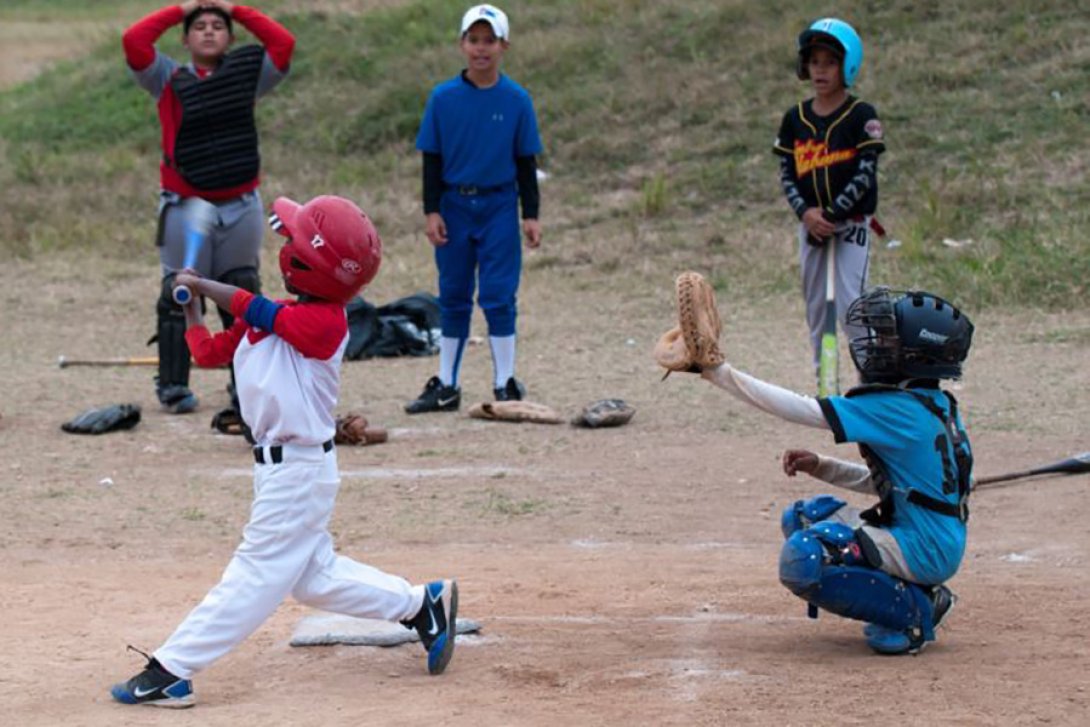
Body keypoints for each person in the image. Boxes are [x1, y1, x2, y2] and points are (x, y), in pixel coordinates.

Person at [110, 196, 459, 708]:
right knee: (314, 578)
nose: (287, 243)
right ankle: (420, 605)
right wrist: (190, 306)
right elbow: (208, 352)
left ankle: (172, 669)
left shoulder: (325, 324)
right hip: (279, 470)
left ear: (307, 267)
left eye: (294, 242)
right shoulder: (275, 317)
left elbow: (256, 307)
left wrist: (206, 284)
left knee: (255, 574)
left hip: (299, 471)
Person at [696, 287, 974, 655]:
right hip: (926, 537)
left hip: (923, 549)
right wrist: (823, 467)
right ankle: (919, 590)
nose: (876, 345)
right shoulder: (935, 403)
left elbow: (803, 409)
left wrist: (718, 373)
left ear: (916, 356)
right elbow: (893, 485)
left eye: (889, 339)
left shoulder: (897, 408)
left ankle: (915, 610)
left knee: (806, 556)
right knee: (807, 517)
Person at [122, 1, 294, 430]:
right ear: (185, 39)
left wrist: (233, 6)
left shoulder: (245, 75)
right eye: (200, 26)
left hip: (240, 202)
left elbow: (283, 43)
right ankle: (175, 385)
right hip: (184, 203)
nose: (210, 31)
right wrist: (184, 7)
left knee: (240, 288)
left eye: (219, 26)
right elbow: (134, 41)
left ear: (231, 38)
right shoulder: (167, 77)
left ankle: (244, 382)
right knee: (178, 291)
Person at [406, 4, 544, 414]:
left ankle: (505, 381)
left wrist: (530, 214)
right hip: (454, 204)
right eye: (474, 40)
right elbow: (431, 158)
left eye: (490, 41)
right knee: (454, 294)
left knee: (500, 295)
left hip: (500, 203)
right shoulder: (443, 98)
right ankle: (447, 383)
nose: (481, 49)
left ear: (504, 45)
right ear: (462, 44)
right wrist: (432, 210)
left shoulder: (516, 99)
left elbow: (526, 162)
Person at [773, 18, 885, 385]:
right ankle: (827, 386)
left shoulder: (861, 116)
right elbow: (787, 172)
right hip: (811, 226)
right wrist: (806, 213)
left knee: (854, 306)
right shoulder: (796, 119)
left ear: (847, 66)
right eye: (814, 61)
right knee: (817, 308)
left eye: (830, 62)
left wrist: (833, 215)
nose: (820, 70)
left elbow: (865, 171)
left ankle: (868, 386)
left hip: (850, 224)